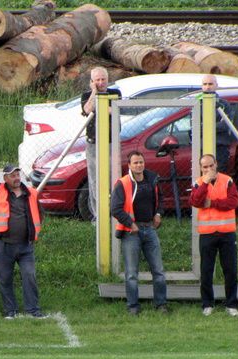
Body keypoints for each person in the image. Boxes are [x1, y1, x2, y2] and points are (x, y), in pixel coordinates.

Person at [0, 149, 47, 319]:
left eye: (17, 174)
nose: (16, 178)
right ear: (5, 178)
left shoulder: (31, 194)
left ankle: (33, 310)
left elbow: (40, 214)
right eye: (12, 175)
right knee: (5, 279)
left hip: (25, 245)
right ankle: (10, 311)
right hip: (4, 245)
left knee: (29, 276)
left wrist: (34, 231)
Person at [110, 151, 168, 316]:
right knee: (131, 273)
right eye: (135, 163)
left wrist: (158, 214)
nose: (139, 165)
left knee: (158, 270)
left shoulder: (152, 180)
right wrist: (130, 223)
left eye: (141, 162)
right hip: (131, 233)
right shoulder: (122, 183)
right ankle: (133, 306)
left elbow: (161, 200)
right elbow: (115, 209)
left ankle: (161, 304)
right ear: (129, 165)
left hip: (149, 229)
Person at [189, 154, 238, 317]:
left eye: (211, 165)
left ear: (216, 164)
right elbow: (196, 202)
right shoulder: (198, 183)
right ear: (200, 168)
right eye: (205, 167)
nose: (209, 169)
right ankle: (207, 304)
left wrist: (213, 203)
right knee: (206, 271)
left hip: (227, 233)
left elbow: (233, 202)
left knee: (230, 270)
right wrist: (205, 182)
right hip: (207, 234)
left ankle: (231, 305)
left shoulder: (227, 180)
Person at [81, 66, 122, 221]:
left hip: (112, 142)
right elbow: (87, 109)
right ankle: (98, 216)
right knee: (94, 179)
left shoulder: (115, 94)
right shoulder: (87, 95)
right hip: (93, 143)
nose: (100, 82)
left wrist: (102, 106)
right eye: (97, 80)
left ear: (107, 79)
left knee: (114, 178)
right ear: (92, 81)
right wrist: (94, 93)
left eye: (103, 79)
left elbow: (116, 110)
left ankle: (114, 214)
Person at [199, 74, 235, 172]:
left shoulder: (224, 104)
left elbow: (226, 125)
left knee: (219, 178)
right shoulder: (197, 104)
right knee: (204, 180)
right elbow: (195, 128)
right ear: (201, 86)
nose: (207, 87)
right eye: (205, 84)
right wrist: (217, 125)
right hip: (202, 149)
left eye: (210, 84)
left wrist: (205, 126)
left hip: (220, 148)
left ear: (216, 85)